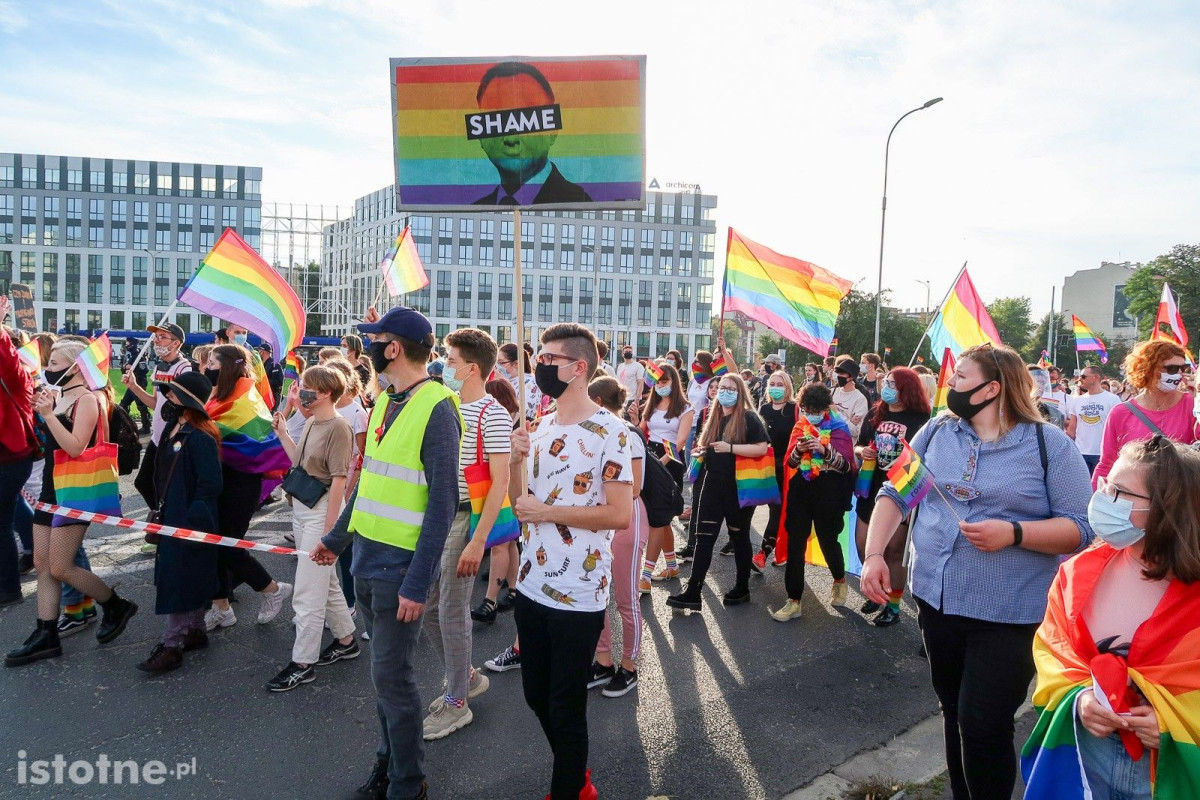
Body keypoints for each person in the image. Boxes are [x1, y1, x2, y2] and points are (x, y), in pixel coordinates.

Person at [859, 343, 1095, 800]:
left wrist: (1015, 533)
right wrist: (872, 555)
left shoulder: (1050, 445)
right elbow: (896, 493)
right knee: (953, 712)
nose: (951, 386)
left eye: (961, 378)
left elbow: (1080, 528)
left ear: (993, 388)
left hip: (1010, 612)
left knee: (984, 724)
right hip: (937, 599)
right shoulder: (938, 431)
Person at [311, 306, 460, 800]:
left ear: (393, 348)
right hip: (368, 562)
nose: (369, 347)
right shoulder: (386, 401)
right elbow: (369, 484)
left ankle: (406, 782)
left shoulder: (436, 405)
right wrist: (336, 541)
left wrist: (418, 584)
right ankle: (389, 762)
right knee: (383, 679)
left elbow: (442, 506)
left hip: (400, 572)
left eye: (375, 339)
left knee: (393, 682)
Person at [1022, 436, 1200, 797]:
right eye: (1105, 485)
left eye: (1119, 492)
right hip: (1087, 759)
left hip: (1167, 773)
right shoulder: (1075, 574)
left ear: (1167, 507)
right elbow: (1053, 654)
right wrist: (1080, 700)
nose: (1101, 498)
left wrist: (1174, 725)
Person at [504, 322, 631, 800]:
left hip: (579, 593)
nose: (540, 365)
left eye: (549, 358)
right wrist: (518, 460)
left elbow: (618, 514)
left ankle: (572, 788)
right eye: (538, 356)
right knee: (536, 695)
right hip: (532, 583)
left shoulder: (612, 432)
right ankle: (575, 774)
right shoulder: (541, 426)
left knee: (565, 706)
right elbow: (523, 504)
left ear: (579, 369)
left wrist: (548, 511)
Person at [5, 340, 138, 666]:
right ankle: (45, 633)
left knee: (61, 566)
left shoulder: (88, 400)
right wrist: (46, 410)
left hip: (74, 494)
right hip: (52, 491)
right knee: (43, 565)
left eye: (54, 364)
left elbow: (76, 447)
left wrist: (48, 414)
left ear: (77, 366)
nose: (48, 370)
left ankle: (115, 604)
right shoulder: (61, 396)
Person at [421, 328, 511, 740]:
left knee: (451, 611)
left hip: (463, 518)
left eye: (451, 361)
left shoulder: (492, 414)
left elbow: (499, 483)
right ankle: (467, 677)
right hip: (437, 517)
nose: (444, 367)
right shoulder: (446, 403)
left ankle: (458, 702)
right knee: (425, 607)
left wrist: (478, 540)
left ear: (472, 368)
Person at [264, 365, 357, 691]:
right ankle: (346, 641)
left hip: (321, 515)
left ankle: (303, 663)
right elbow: (300, 465)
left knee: (306, 592)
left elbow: (338, 481)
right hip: (303, 509)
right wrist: (284, 433)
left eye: (308, 388)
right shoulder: (314, 422)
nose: (301, 392)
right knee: (325, 581)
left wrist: (330, 534)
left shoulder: (338, 427)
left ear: (327, 392)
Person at [135, 372, 222, 673]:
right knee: (183, 577)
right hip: (171, 515)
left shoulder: (200, 437)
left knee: (179, 579)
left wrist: (193, 516)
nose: (165, 399)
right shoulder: (173, 427)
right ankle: (195, 631)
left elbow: (211, 483)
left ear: (186, 401)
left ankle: (172, 645)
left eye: (171, 395)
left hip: (189, 520)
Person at [202, 344, 293, 631]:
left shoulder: (245, 398)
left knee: (229, 545)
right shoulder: (219, 394)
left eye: (213, 362)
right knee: (211, 544)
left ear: (227, 365)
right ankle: (221, 607)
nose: (207, 367)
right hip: (220, 479)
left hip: (242, 482)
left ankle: (272, 589)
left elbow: (253, 445)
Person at [667, 373, 769, 611]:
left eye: (731, 388)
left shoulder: (749, 417)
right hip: (711, 484)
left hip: (738, 486)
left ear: (740, 391)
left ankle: (741, 587)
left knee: (739, 536)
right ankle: (693, 590)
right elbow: (711, 447)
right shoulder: (712, 416)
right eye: (722, 387)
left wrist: (730, 448)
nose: (725, 392)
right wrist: (703, 452)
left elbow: (762, 448)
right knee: (704, 538)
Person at [769, 383, 857, 622]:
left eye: (816, 410)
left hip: (830, 490)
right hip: (802, 488)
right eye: (807, 409)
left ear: (826, 408)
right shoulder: (800, 426)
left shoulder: (839, 428)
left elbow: (848, 467)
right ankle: (794, 600)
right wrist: (799, 449)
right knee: (795, 542)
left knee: (828, 539)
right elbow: (790, 463)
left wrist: (825, 450)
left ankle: (839, 579)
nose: (812, 414)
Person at [852, 367, 931, 626]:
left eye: (893, 384)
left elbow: (927, 460)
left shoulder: (922, 420)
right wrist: (863, 451)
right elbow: (860, 444)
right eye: (886, 382)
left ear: (907, 389)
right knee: (865, 544)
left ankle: (894, 606)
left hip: (901, 492)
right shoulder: (875, 414)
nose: (887, 388)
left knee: (894, 551)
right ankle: (876, 591)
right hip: (871, 488)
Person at [587, 376, 646, 699]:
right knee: (599, 594)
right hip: (602, 522)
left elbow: (634, 488)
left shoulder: (626, 434)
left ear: (597, 402)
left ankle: (630, 666)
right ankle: (604, 661)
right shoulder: (596, 434)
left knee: (625, 599)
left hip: (627, 521)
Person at [471, 61, 593, 206]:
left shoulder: (580, 203)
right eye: (496, 122)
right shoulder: (477, 210)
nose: (511, 139)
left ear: (552, 131)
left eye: (526, 120)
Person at [124, 322, 193, 555]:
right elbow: (155, 403)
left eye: (163, 338)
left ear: (176, 343)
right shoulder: (158, 367)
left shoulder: (185, 369)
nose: (157, 341)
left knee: (163, 486)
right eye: (156, 337)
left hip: (172, 438)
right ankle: (163, 524)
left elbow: (182, 405)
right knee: (144, 483)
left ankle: (167, 530)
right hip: (157, 436)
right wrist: (133, 387)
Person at [1095, 339, 1198, 486]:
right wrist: (1096, 501)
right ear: (1148, 369)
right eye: (1172, 368)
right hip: (1135, 500)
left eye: (1184, 368)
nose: (1179, 374)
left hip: (1180, 500)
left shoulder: (1192, 405)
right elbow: (1107, 463)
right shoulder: (1120, 413)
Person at [473, 377, 522, 624]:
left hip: (508, 489)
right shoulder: (511, 420)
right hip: (497, 487)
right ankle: (514, 589)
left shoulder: (518, 425)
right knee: (510, 542)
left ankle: (490, 601)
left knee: (499, 544)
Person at [640, 363, 693, 588]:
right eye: (658, 382)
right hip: (648, 458)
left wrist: (659, 465)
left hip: (668, 462)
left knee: (658, 519)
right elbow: (641, 430)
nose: (661, 386)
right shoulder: (651, 404)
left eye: (665, 381)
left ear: (674, 381)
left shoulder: (685, 408)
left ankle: (645, 575)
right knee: (661, 521)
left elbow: (680, 442)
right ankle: (671, 565)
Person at [0, 298, 38, 607]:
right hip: (11, 456)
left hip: (10, 456)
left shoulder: (16, 373)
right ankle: (32, 549)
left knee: (1, 522)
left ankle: (8, 589)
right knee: (11, 509)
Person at [751, 369, 795, 569]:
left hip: (787, 468)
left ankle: (763, 552)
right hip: (765, 467)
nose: (776, 388)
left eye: (780, 384)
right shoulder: (764, 409)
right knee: (752, 506)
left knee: (778, 512)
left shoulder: (795, 409)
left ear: (788, 387)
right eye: (773, 384)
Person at [1065, 365, 1120, 475]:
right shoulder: (1077, 401)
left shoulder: (1113, 399)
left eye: (1083, 376)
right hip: (1080, 453)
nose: (1080, 379)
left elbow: (1118, 428)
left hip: (1103, 454)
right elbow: (1071, 430)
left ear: (1095, 377)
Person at [498, 342, 541, 422]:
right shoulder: (507, 380)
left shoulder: (529, 383)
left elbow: (523, 412)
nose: (498, 366)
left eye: (501, 362)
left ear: (516, 364)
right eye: (496, 362)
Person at [119, 336, 151, 433]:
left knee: (141, 405)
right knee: (124, 404)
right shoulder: (131, 355)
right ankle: (125, 425)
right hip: (131, 383)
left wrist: (133, 367)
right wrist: (125, 367)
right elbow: (124, 369)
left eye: (127, 343)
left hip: (139, 383)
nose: (126, 345)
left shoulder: (139, 355)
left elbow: (144, 369)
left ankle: (146, 427)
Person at [831, 357, 868, 439]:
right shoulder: (832, 392)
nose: (839, 376)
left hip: (846, 446)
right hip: (829, 444)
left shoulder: (860, 399)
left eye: (842, 374)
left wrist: (836, 413)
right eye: (838, 373)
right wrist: (849, 421)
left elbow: (855, 431)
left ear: (851, 377)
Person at [1028, 365, 1066, 429]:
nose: (1040, 386)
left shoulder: (1051, 412)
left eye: (1043, 383)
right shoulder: (1014, 407)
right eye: (1037, 382)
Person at [258, 342, 284, 410]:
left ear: (262, 351)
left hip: (273, 395)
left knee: (271, 416)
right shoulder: (261, 364)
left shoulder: (275, 365)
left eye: (259, 350)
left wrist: (264, 382)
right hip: (263, 395)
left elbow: (280, 382)